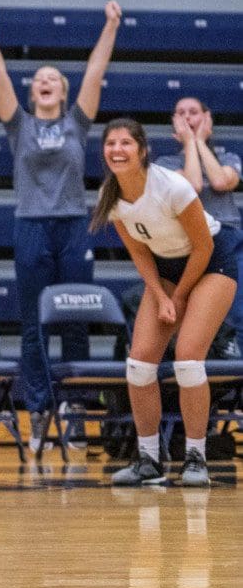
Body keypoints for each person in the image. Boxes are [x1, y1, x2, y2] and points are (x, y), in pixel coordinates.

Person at [0, 0, 121, 453]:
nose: (44, 82)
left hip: (75, 225)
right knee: (35, 322)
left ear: (63, 89)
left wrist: (111, 25)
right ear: (33, 91)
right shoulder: (19, 125)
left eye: (52, 79)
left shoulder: (77, 122)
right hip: (32, 225)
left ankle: (73, 413)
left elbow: (95, 72)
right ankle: (37, 410)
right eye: (38, 79)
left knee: (75, 317)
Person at [91, 119, 241, 488]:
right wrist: (160, 296)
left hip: (212, 261)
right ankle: (149, 460)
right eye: (111, 143)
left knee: (189, 360)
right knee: (139, 365)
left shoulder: (172, 186)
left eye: (126, 142)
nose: (117, 149)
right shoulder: (110, 197)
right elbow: (140, 253)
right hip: (165, 268)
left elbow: (203, 247)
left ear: (142, 150)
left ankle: (195, 458)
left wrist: (178, 296)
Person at [157, 97, 243, 336]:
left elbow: (221, 181)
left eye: (193, 112)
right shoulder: (165, 164)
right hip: (191, 243)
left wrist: (200, 143)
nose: (187, 117)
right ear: (173, 122)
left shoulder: (228, 159)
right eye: (180, 113)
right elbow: (192, 186)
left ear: (207, 119)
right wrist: (191, 144)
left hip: (230, 239)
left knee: (241, 314)